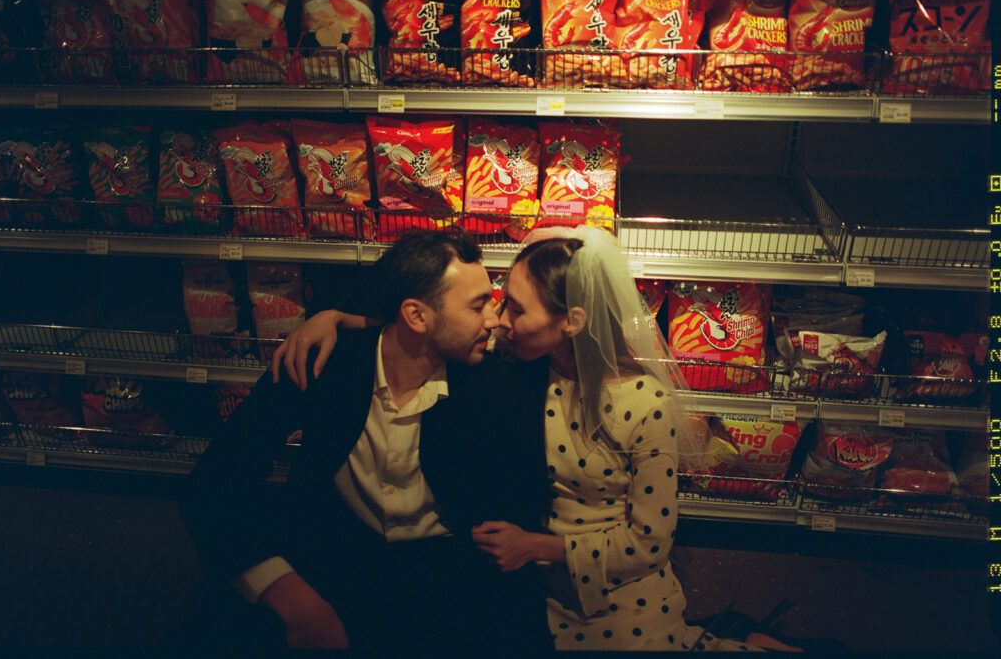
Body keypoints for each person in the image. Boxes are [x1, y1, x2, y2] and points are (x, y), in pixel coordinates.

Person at [273, 225, 765, 652]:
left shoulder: (644, 403)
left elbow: (650, 543)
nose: (499, 320)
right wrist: (336, 318)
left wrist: (536, 547)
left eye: (514, 307)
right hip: (539, 595)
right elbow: (424, 325)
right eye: (497, 300)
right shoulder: (527, 366)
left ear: (570, 322)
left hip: (617, 600)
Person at [181, 228, 552, 654]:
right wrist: (289, 596)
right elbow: (213, 483)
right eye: (478, 304)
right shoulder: (321, 361)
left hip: (446, 578)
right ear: (416, 317)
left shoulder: (496, 392)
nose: (495, 319)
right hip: (332, 558)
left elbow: (512, 521)